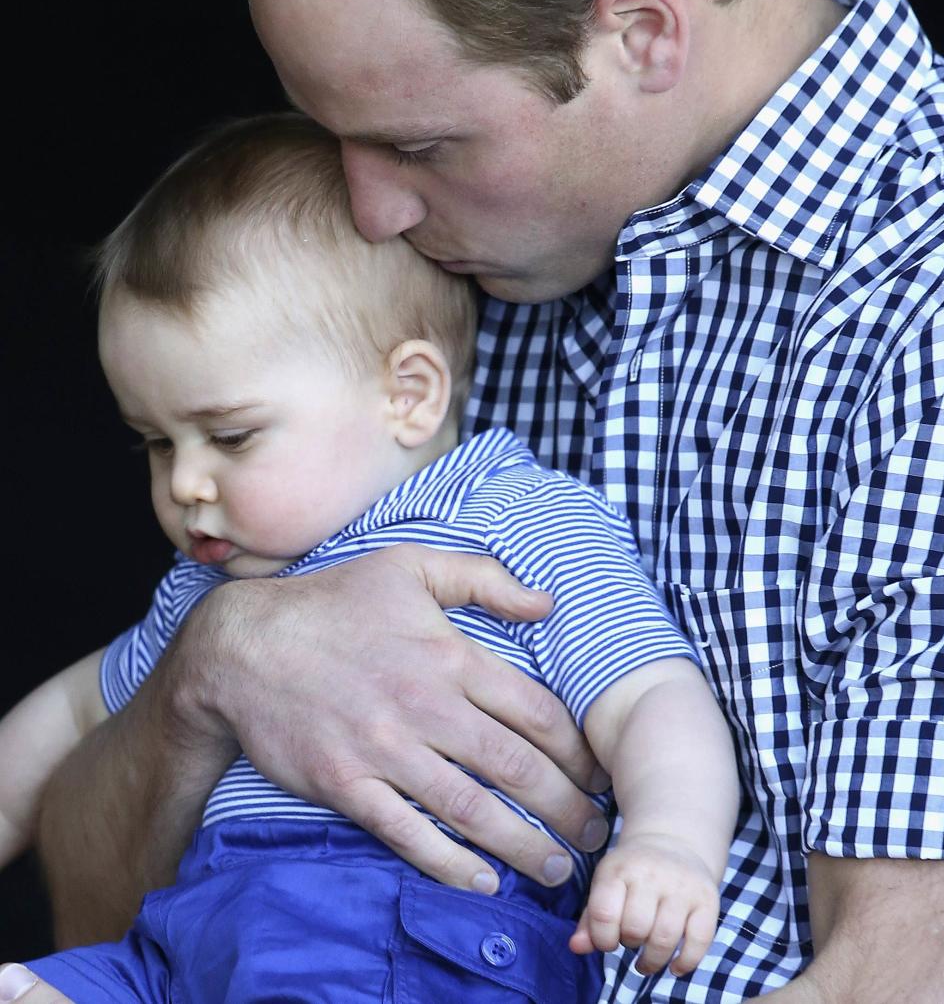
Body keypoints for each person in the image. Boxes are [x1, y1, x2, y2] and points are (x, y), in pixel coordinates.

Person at [6, 0, 944, 1004]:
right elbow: (97, 914)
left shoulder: (929, 309)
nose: (369, 212)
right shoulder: (435, 273)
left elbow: (907, 977)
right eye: (334, 137)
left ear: (640, 31)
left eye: (420, 143)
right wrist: (216, 669)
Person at [0, 114, 738, 1002]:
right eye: (157, 444)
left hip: (409, 928)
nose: (188, 482)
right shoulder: (214, 587)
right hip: (198, 935)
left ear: (409, 396)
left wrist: (669, 843)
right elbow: (72, 714)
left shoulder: (506, 516)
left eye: (230, 436)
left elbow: (652, 691)